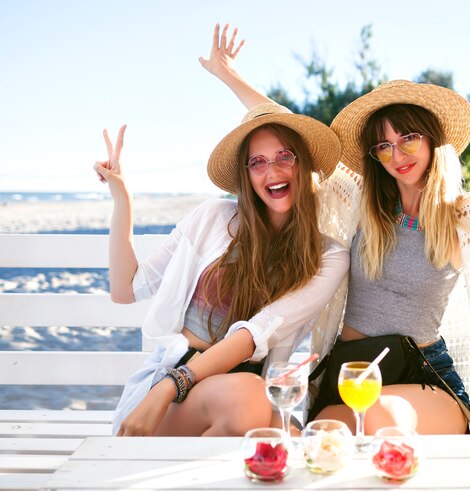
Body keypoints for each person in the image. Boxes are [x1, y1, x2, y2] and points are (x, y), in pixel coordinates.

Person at [202, 24, 470, 434]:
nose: (397, 154)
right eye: (383, 145)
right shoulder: (362, 202)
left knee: (375, 419)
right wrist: (230, 76)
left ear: (432, 140)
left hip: (424, 376)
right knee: (326, 431)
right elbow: (290, 129)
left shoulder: (467, 216)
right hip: (351, 373)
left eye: (409, 139)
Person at [93, 95, 349, 436]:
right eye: (257, 162)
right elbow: (126, 289)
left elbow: (254, 334)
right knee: (248, 400)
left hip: (246, 394)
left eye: (284, 157)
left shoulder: (327, 257)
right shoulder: (213, 218)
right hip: (170, 392)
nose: (272, 172)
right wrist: (122, 196)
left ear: (303, 164)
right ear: (246, 175)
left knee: (291, 437)